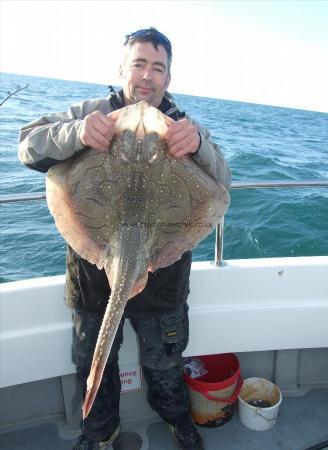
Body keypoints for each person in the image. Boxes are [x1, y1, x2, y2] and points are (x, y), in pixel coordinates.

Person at [19, 28, 231, 450]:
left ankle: (176, 419)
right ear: (122, 69)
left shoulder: (184, 126)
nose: (147, 76)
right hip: (93, 271)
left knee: (165, 359)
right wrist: (78, 134)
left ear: (168, 78)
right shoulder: (91, 112)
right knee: (91, 357)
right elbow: (27, 146)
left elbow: (222, 183)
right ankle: (99, 433)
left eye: (158, 68)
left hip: (163, 269)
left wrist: (200, 146)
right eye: (139, 64)